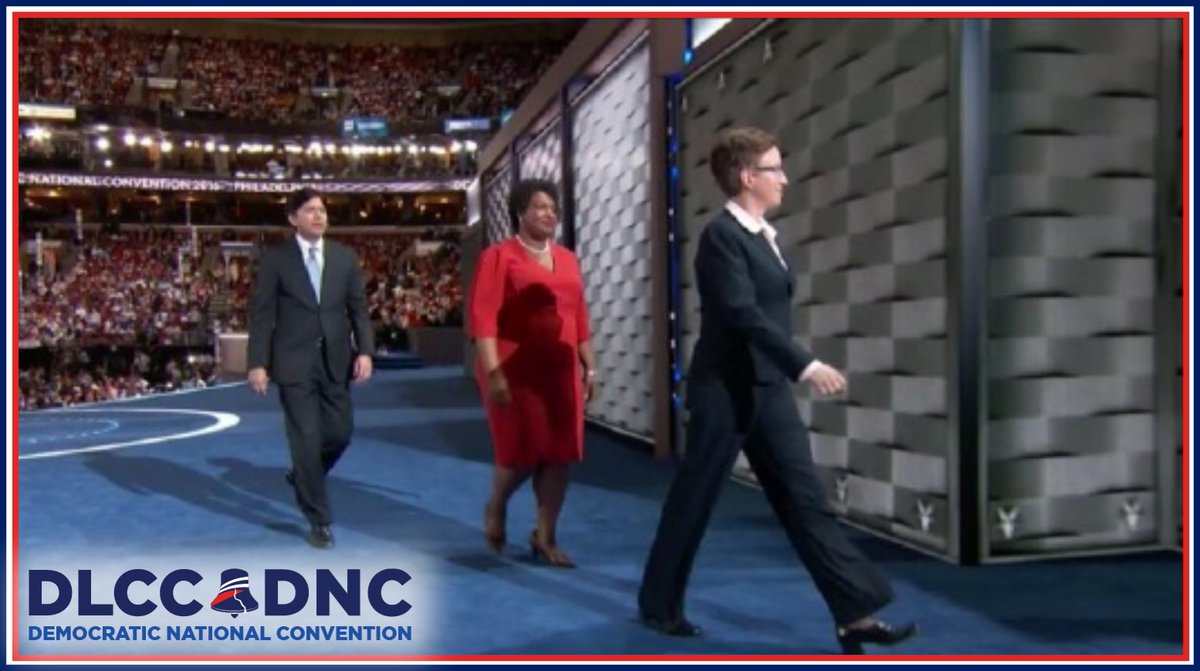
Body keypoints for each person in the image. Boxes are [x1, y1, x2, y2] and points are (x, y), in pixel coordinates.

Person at [637, 127, 918, 654]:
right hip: (724, 390)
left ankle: (853, 615)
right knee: (694, 501)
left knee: (804, 499)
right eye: (774, 169)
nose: (784, 178)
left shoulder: (766, 236)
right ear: (748, 177)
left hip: (766, 391)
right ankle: (658, 606)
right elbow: (742, 314)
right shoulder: (721, 237)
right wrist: (805, 363)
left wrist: (788, 367)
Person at [468, 178, 595, 568]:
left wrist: (590, 364)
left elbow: (579, 315)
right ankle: (498, 503)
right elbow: (483, 318)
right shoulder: (498, 256)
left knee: (559, 455)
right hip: (512, 369)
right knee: (522, 452)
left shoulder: (568, 259)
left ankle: (545, 536)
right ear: (520, 212)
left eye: (553, 208)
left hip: (560, 371)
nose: (549, 213)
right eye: (539, 206)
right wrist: (493, 373)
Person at [247, 188, 374, 549]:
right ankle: (319, 520)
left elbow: (358, 309)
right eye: (310, 210)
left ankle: (303, 474)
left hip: (336, 359)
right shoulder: (276, 259)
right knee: (305, 439)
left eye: (322, 210)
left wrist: (365, 350)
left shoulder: (344, 258)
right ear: (293, 218)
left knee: (340, 433)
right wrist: (257, 361)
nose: (319, 216)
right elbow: (263, 314)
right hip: (292, 363)